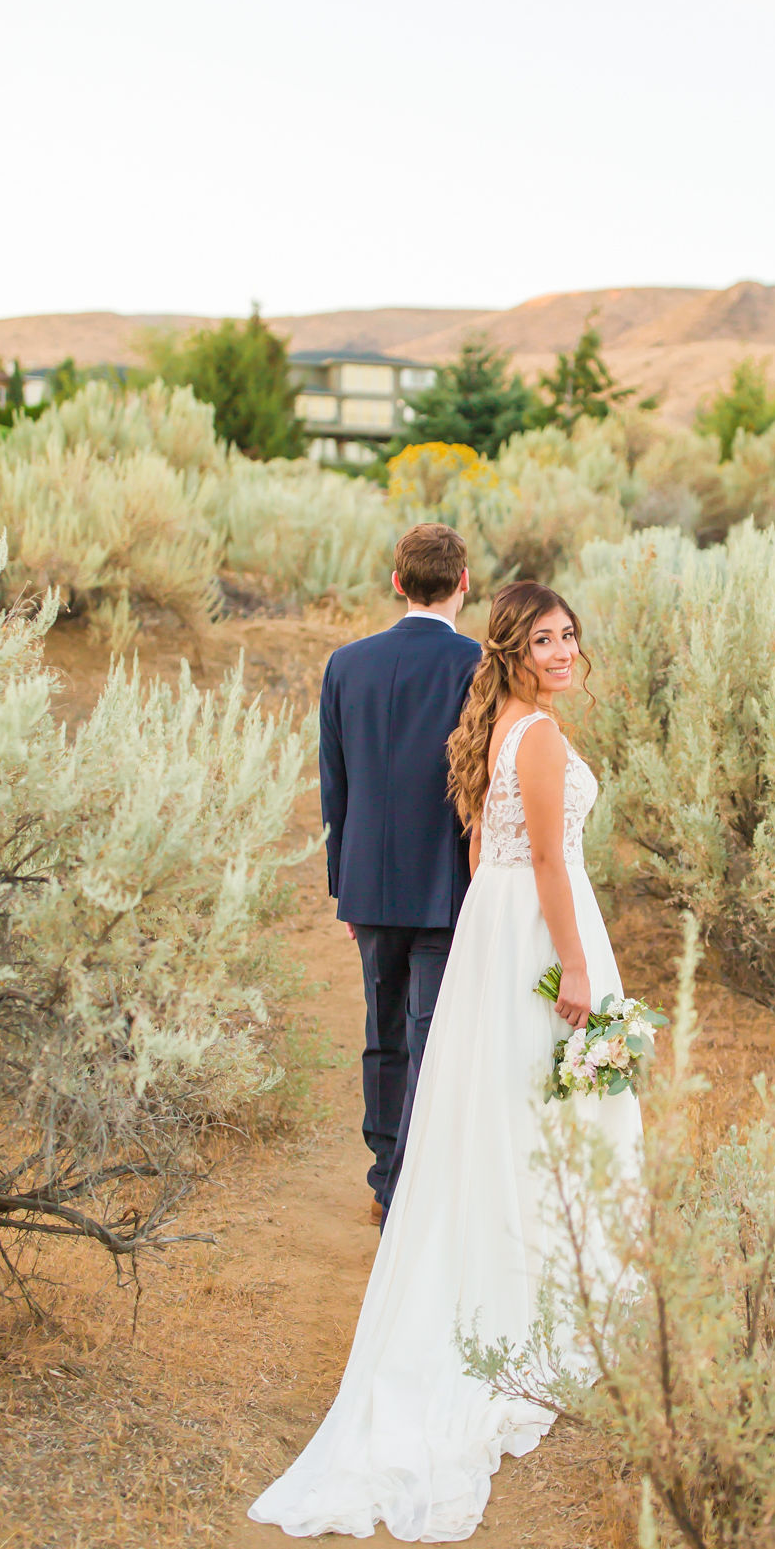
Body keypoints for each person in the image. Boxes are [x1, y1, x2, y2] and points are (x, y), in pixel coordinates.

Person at [248, 580, 641, 1543]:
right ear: (509, 646)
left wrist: (498, 941)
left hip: (496, 931)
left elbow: (478, 854)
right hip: (547, 935)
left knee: (517, 1109)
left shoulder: (496, 723)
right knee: (569, 1104)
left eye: (569, 637)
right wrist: (578, 968)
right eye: (545, 640)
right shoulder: (537, 736)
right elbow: (549, 861)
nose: (563, 652)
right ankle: (568, 1283)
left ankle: (542, 1266)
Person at [318, 521, 481, 1223]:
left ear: (396, 582)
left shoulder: (345, 664)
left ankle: (386, 1175)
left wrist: (342, 883)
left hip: (369, 881)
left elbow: (336, 785)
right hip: (447, 885)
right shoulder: (478, 663)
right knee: (430, 1033)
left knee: (381, 1031)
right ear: (464, 583)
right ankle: (415, 1179)